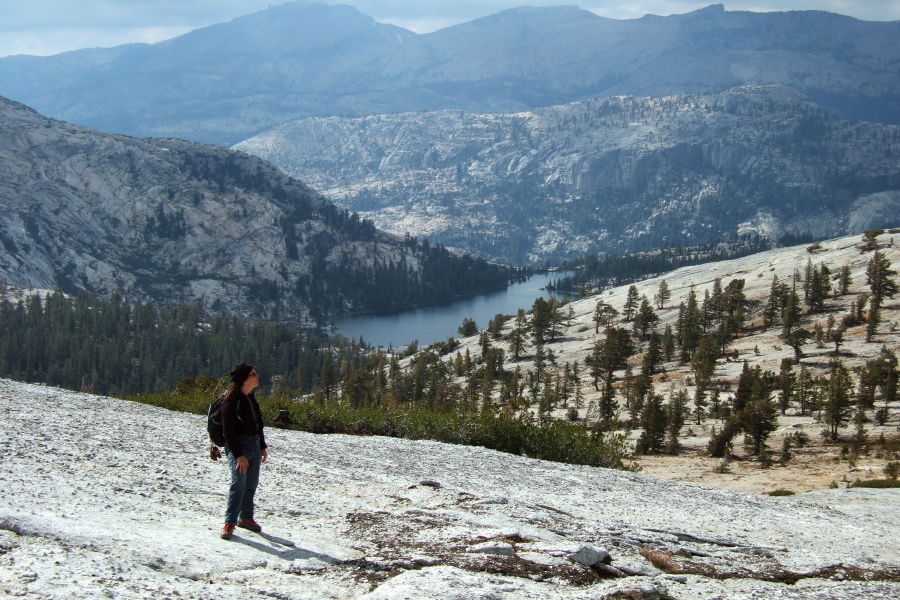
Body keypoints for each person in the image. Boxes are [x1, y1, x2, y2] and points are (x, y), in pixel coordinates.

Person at [220, 362, 268, 540]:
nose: (257, 377)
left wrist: (262, 446)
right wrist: (239, 455)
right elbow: (228, 431)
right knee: (238, 484)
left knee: (251, 484)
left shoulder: (251, 396)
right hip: (239, 447)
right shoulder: (231, 400)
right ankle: (229, 523)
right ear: (244, 379)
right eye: (253, 374)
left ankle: (246, 518)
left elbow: (258, 424)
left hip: (254, 445)